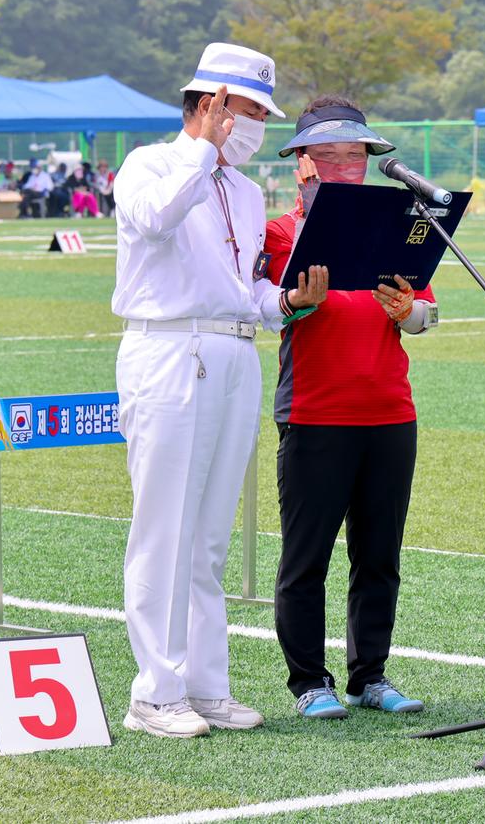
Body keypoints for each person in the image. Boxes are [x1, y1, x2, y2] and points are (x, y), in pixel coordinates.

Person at [112, 42, 316, 739]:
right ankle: (154, 691)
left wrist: (286, 301)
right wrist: (203, 153)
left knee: (208, 537)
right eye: (251, 111)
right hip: (168, 348)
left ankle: (205, 685)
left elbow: (244, 285)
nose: (259, 127)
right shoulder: (150, 165)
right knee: (164, 527)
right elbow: (154, 219)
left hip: (234, 350)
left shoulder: (246, 190)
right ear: (212, 105)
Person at [262, 95, 434, 720]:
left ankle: (370, 675)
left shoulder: (395, 226)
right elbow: (275, 306)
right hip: (314, 411)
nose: (343, 167)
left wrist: (407, 311)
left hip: (391, 412)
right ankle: (309, 680)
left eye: (353, 155)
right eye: (327, 156)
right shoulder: (281, 230)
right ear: (302, 162)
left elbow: (425, 315)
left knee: (380, 555)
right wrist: (311, 229)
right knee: (306, 557)